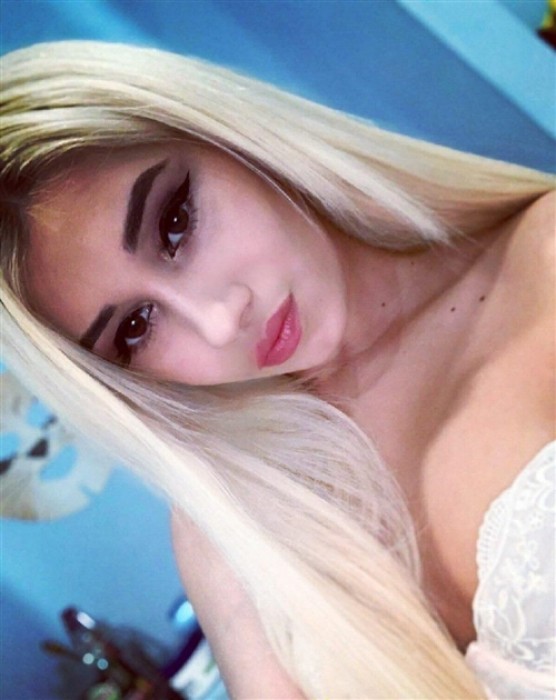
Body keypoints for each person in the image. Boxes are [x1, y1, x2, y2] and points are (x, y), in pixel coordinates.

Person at [1, 40, 554, 699]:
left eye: (175, 223)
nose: (217, 320)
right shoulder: (232, 519)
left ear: (231, 140)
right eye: (136, 328)